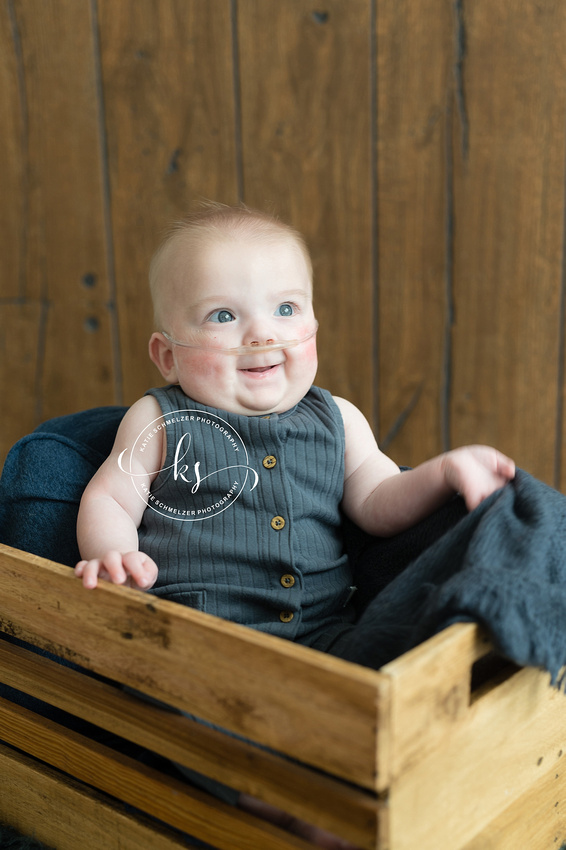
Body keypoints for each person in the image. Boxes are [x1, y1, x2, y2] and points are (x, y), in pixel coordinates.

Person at [74, 202, 515, 848]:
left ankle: (346, 797)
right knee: (195, 715)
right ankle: (273, 803)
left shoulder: (339, 419)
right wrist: (112, 555)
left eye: (286, 309)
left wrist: (447, 469)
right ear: (167, 355)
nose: (263, 334)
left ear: (313, 323)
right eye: (224, 315)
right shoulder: (160, 421)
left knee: (373, 706)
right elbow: (112, 496)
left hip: (327, 637)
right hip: (205, 644)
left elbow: (380, 499)